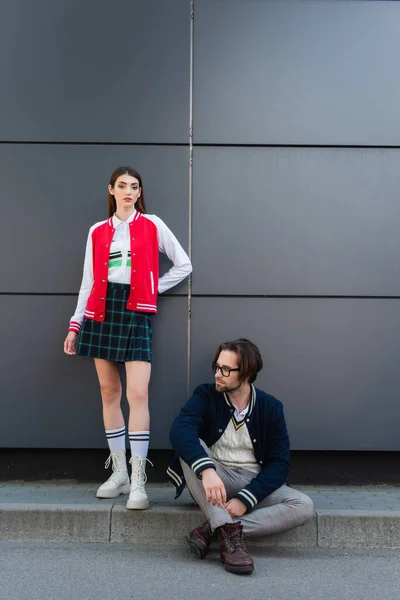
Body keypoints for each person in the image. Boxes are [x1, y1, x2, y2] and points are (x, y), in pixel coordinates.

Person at [64, 166, 192, 510]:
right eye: (122, 186)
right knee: (109, 393)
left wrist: (152, 289)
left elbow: (184, 265)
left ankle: (138, 481)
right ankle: (119, 473)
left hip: (136, 312)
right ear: (111, 190)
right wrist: (75, 324)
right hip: (100, 312)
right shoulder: (97, 231)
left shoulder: (153, 224)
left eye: (134, 186)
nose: (128, 191)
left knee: (137, 393)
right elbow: (88, 282)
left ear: (139, 192)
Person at [168, 339, 314, 575]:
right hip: (214, 480)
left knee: (303, 505)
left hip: (253, 481)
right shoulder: (205, 395)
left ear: (246, 372)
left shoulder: (270, 407)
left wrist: (246, 499)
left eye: (226, 369)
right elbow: (180, 428)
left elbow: (279, 463)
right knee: (190, 448)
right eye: (216, 367)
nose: (218, 374)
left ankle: (217, 529)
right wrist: (207, 471)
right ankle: (233, 545)